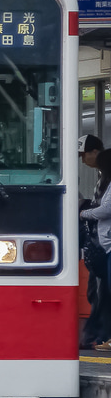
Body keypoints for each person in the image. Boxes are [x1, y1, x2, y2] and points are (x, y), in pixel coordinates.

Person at [79, 147, 111, 350]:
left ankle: (99, 336)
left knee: (105, 291)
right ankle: (101, 336)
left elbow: (106, 210)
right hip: (106, 245)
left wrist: (83, 214)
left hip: (108, 244)